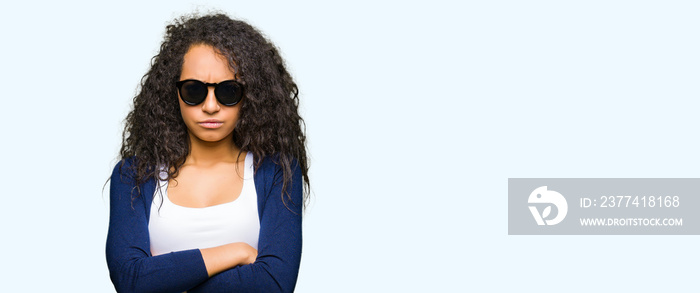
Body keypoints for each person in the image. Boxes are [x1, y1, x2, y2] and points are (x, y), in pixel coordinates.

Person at [106, 13, 309, 293]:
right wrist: (236, 252)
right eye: (194, 90)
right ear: (173, 92)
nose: (211, 106)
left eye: (228, 91)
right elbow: (130, 280)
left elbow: (274, 283)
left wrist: (164, 280)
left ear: (250, 95)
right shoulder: (134, 176)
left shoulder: (276, 172)